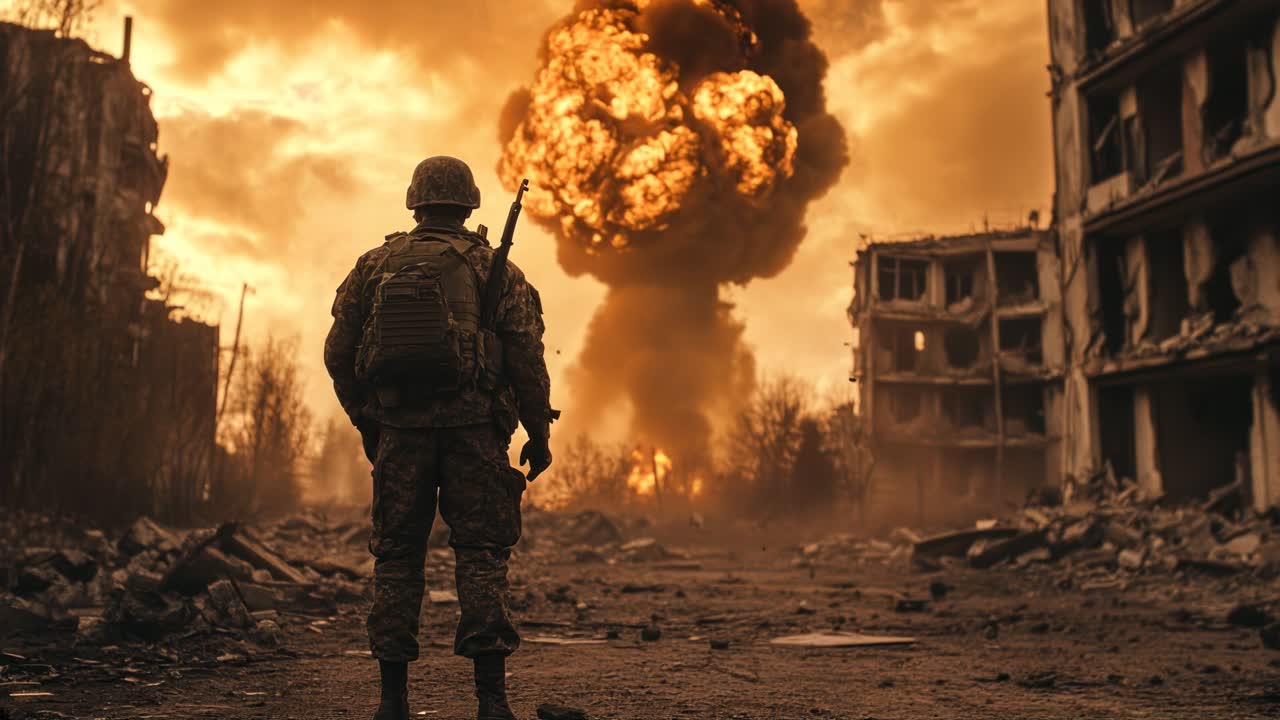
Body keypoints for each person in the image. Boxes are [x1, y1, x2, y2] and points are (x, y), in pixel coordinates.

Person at [324, 156, 554, 720]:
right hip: (474, 434)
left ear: (415, 202)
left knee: (397, 559)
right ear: (468, 204)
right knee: (481, 557)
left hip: (400, 432)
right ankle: (492, 702)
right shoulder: (494, 267)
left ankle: (392, 701)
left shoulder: (375, 265)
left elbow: (337, 353)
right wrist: (537, 432)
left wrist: (368, 419)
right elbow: (526, 357)